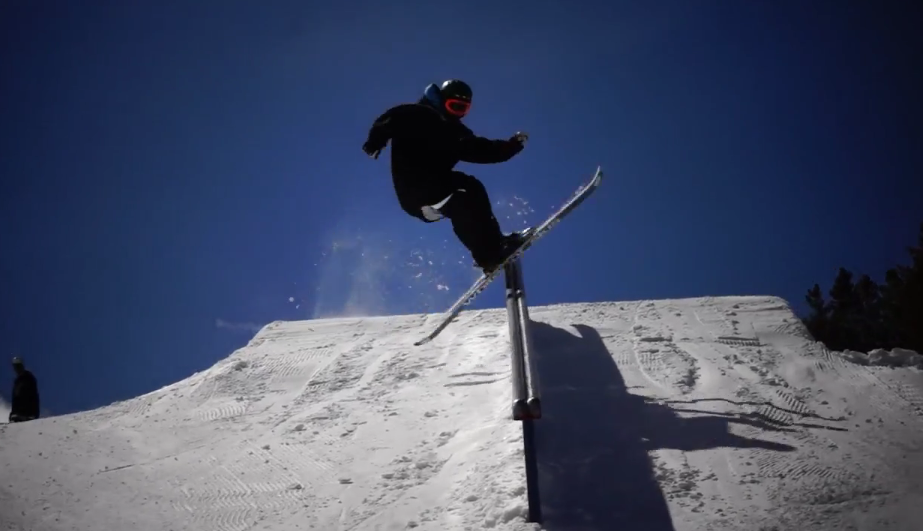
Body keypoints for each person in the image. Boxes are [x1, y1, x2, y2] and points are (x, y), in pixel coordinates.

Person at [362, 79, 530, 272]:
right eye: (454, 106)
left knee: (472, 187)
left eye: (462, 109)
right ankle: (488, 255)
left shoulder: (455, 132)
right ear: (441, 100)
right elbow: (389, 120)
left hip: (437, 185)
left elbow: (481, 150)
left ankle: (495, 244)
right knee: (462, 200)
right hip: (415, 189)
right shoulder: (417, 114)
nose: (457, 113)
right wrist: (375, 141)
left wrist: (510, 147)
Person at [9, 356, 40, 423]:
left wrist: (33, 414)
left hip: (28, 413)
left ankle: (25, 415)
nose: (17, 368)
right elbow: (15, 400)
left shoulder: (29, 378)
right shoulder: (17, 382)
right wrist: (12, 413)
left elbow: (33, 397)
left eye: (18, 366)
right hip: (18, 414)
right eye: (16, 366)